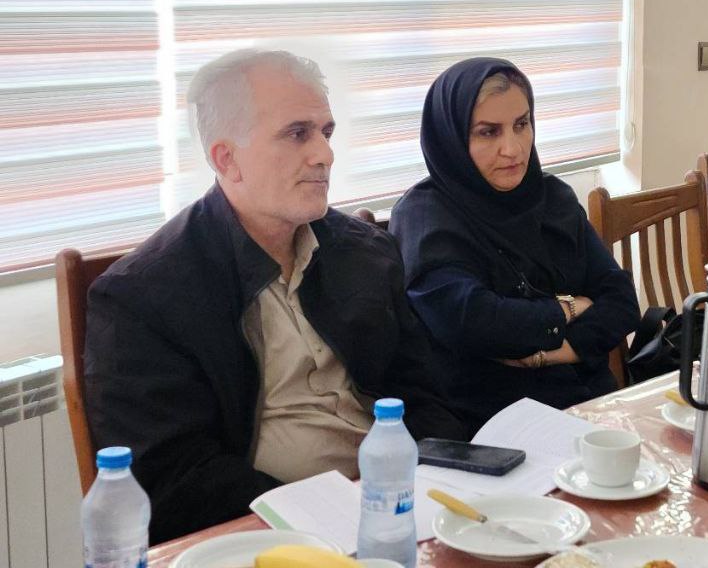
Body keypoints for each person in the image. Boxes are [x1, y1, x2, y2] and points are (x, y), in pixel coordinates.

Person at [83, 49, 465, 543]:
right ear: (227, 159)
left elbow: (425, 396)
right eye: (297, 133)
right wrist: (322, 515)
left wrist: (426, 486)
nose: (325, 154)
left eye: (326, 132)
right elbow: (175, 479)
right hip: (268, 533)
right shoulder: (142, 296)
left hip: (399, 505)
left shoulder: (366, 252)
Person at [391, 57, 639, 435]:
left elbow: (622, 301)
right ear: (451, 138)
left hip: (593, 408)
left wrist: (546, 355)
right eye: (488, 132)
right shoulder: (425, 216)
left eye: (521, 125)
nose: (513, 148)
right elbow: (475, 323)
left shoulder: (553, 197)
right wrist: (572, 307)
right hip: (490, 426)